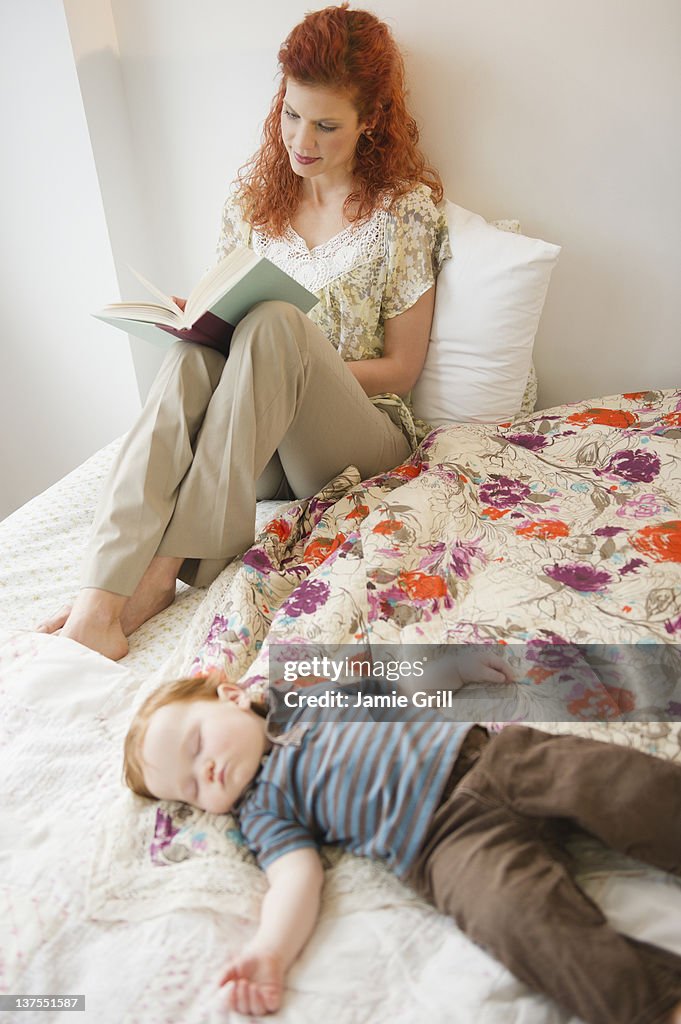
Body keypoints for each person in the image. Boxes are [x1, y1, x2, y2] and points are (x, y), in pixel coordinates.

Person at [37, 3, 450, 660]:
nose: (300, 140)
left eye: (325, 124)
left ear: (370, 120)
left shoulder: (405, 211)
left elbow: (401, 367)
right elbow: (222, 324)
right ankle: (100, 596)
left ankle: (158, 574)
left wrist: (287, 362)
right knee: (192, 359)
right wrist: (204, 326)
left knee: (275, 324)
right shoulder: (254, 201)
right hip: (253, 449)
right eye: (290, 113)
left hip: (354, 440)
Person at [124, 671, 681, 1023]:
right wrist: (271, 950)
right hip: (446, 846)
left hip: (492, 761)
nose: (210, 770)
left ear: (231, 694)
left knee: (621, 785)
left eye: (199, 745)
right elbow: (295, 879)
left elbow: (392, 679)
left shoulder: (300, 691)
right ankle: (651, 1005)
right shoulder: (263, 811)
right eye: (192, 788)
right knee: (521, 922)